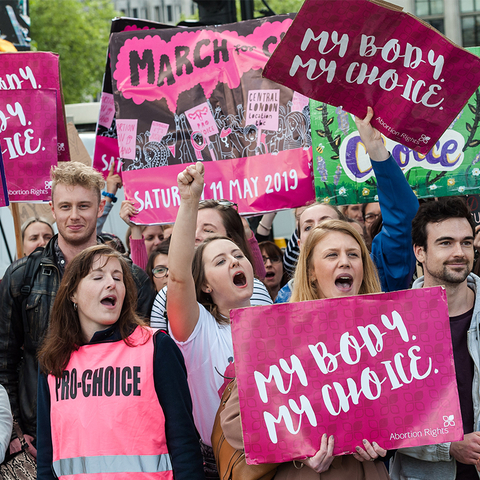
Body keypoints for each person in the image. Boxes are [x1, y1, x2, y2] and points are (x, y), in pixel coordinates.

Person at [0, 161, 155, 448]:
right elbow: (3, 360)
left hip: (114, 433)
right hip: (41, 434)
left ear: (99, 207)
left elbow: (147, 363)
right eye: (65, 206)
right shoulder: (21, 276)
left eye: (84, 206)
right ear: (52, 207)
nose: (74, 216)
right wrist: (16, 430)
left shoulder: (132, 280)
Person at [36, 245, 204, 480]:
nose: (111, 283)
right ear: (72, 293)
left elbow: (184, 442)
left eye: (118, 277)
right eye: (98, 277)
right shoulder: (54, 361)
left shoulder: (156, 347)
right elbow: (47, 457)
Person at [166, 161, 256, 478]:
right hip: (217, 466)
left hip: (274, 459)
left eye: (237, 255)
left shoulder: (274, 325)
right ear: (204, 285)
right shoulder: (199, 331)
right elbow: (177, 278)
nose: (234, 261)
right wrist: (189, 202)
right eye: (220, 260)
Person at [275, 107, 419, 302]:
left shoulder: (379, 281)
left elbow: (402, 216)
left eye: (352, 254)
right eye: (309, 226)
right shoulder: (285, 305)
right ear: (309, 269)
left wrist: (375, 147)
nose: (344, 262)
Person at [391, 197, 480, 480]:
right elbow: (386, 420)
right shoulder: (393, 326)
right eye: (445, 243)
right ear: (420, 252)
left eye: (466, 242)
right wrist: (447, 446)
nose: (459, 252)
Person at [150, 199, 272, 330]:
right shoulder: (166, 297)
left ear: (231, 239)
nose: (196, 236)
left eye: (208, 230)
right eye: (191, 230)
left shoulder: (253, 289)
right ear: (205, 286)